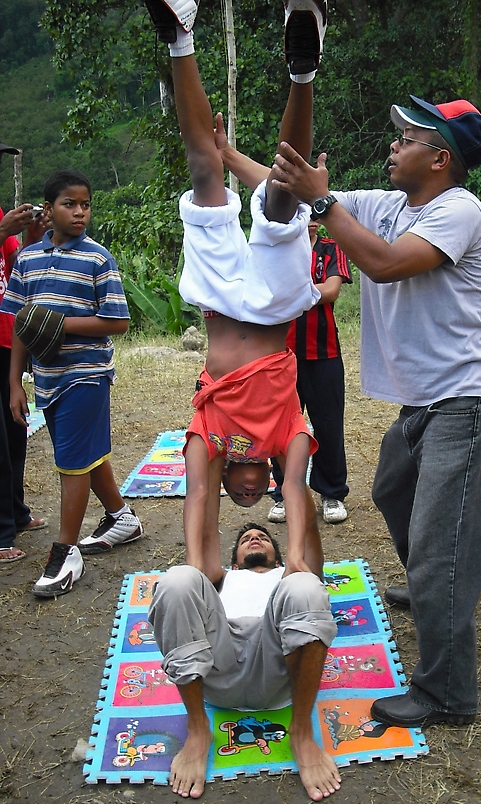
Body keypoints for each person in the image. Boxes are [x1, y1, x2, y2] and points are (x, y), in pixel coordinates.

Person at [271, 96, 481, 728]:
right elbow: (296, 186)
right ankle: (438, 587)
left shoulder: (459, 210)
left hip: (467, 400)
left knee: (440, 549)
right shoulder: (387, 205)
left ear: (439, 156)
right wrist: (226, 159)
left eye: (406, 138)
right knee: (389, 488)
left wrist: (323, 203)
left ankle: (446, 692)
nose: (392, 146)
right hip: (426, 401)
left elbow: (383, 263)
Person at [141, 0, 330, 581]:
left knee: (204, 170)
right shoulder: (289, 436)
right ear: (265, 478)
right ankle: (304, 67)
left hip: (219, 298)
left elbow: (197, 505)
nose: (249, 499)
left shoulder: (207, 440)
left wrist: (203, 573)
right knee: (282, 195)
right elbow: (297, 500)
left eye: (239, 501)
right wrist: (296, 563)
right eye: (257, 500)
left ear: (227, 476)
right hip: (272, 307)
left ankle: (181, 34)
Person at [2, 169, 143, 598]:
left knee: (71, 461)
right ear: (48, 210)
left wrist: (60, 324)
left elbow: (118, 320)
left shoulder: (98, 258)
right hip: (46, 377)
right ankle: (122, 517)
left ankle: (66, 551)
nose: (80, 212)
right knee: (84, 453)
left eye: (86, 204)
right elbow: (22, 325)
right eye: (70, 204)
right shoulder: (27, 259)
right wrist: (14, 383)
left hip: (87, 374)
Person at [148, 518, 340, 802]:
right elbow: (204, 519)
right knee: (177, 580)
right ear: (234, 564)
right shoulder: (223, 577)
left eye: (262, 536)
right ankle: (198, 728)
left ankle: (301, 730)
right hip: (217, 663)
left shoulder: (288, 573)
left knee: (306, 585)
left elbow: (309, 528)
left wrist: (296, 480)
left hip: (279, 669)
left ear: (280, 560)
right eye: (245, 538)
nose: (254, 538)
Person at [268, 221, 352, 525]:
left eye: (315, 207)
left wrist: (292, 294)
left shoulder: (331, 248)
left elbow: (331, 291)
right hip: (280, 354)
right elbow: (269, 290)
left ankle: (331, 493)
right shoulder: (278, 247)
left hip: (325, 351)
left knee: (328, 424)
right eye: (302, 208)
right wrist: (300, 294)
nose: (311, 216)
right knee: (282, 426)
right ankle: (283, 493)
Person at [0, 140, 48, 565]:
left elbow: (19, 266)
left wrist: (32, 233)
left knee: (15, 431)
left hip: (5, 337)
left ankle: (16, 512)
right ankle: (1, 534)